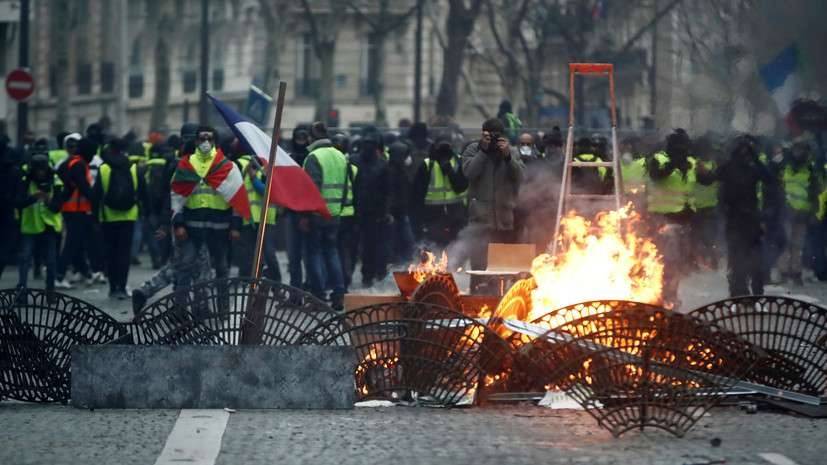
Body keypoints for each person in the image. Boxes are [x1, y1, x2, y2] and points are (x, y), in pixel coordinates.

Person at [171, 126, 243, 292]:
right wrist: (178, 224)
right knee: (185, 267)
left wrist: (235, 226)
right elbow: (176, 197)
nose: (205, 142)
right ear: (196, 141)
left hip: (220, 228)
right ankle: (182, 309)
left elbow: (237, 198)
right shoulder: (186, 164)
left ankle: (223, 309)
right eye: (202, 139)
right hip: (191, 227)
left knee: (222, 269)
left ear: (215, 142)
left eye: (209, 139)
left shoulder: (228, 167)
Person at [461, 118, 525, 292]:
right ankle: (476, 299)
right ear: (483, 134)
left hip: (504, 220)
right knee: (479, 269)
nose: (494, 139)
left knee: (502, 269)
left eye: (497, 135)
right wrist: (483, 151)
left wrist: (508, 158)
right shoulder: (473, 150)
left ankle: (499, 300)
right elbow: (469, 173)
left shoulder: (510, 151)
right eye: (490, 135)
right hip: (480, 221)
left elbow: (520, 177)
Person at [93, 139, 148, 299]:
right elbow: (143, 193)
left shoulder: (103, 169)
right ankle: (122, 287)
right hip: (129, 217)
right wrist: (145, 212)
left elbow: (96, 196)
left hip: (108, 217)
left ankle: (113, 287)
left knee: (110, 253)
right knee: (124, 253)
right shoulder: (134, 168)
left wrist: (95, 218)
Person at [716, 135, 771, 296]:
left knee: (753, 260)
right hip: (736, 221)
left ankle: (755, 292)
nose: (744, 154)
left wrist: (756, 159)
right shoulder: (729, 167)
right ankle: (739, 293)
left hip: (751, 221)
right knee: (737, 260)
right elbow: (710, 178)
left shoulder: (753, 168)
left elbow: (769, 178)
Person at [302, 122, 347, 308]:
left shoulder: (314, 157)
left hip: (316, 214)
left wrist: (305, 214)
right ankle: (338, 294)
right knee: (332, 252)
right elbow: (345, 187)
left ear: (312, 137)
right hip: (334, 213)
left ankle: (318, 297)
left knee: (313, 254)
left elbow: (311, 188)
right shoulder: (340, 155)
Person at [15, 153, 64, 297]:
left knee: (50, 261)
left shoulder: (55, 181)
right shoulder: (25, 181)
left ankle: (50, 292)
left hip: (49, 226)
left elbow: (58, 207)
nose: (41, 174)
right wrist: (33, 198)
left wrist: (48, 200)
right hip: (30, 226)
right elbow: (18, 202)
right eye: (38, 171)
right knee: (24, 259)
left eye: (42, 170)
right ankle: (21, 292)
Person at [413, 132, 468, 247]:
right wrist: (419, 217)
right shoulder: (428, 164)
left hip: (455, 213)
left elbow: (461, 187)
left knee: (456, 248)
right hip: (433, 214)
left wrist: (449, 170)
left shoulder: (458, 162)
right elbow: (417, 193)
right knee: (436, 248)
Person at [56, 137, 97, 289]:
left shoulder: (72, 162)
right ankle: (59, 276)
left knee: (77, 243)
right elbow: (84, 187)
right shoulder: (79, 164)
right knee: (72, 244)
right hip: (76, 210)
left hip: (73, 209)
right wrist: (96, 201)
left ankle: (86, 272)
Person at [236, 148, 281, 282]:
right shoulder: (243, 168)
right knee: (250, 256)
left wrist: (254, 178)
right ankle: (251, 285)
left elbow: (266, 192)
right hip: (248, 220)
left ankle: (276, 284)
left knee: (269, 255)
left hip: (266, 220)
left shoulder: (270, 169)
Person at [778, 141, 819, 285]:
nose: (799, 153)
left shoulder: (809, 169)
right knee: (786, 243)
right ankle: (784, 272)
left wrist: (814, 212)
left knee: (797, 245)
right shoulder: (785, 166)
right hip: (787, 212)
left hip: (801, 213)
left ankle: (795, 272)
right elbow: (779, 188)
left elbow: (815, 193)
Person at [354, 133, 390, 287]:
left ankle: (371, 274)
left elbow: (387, 191)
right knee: (371, 245)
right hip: (366, 211)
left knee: (371, 246)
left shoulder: (357, 162)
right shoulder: (381, 164)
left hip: (369, 211)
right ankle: (372, 274)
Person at [285, 125, 311, 288]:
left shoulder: (312, 157)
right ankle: (296, 291)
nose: (301, 140)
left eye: (304, 137)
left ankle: (308, 288)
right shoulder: (288, 158)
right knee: (294, 256)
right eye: (298, 137)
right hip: (292, 210)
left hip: (307, 211)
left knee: (307, 255)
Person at [387, 141, 415, 265]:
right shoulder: (392, 172)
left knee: (405, 241)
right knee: (398, 240)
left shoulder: (402, 171)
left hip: (401, 211)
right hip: (394, 213)